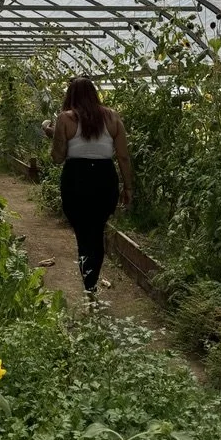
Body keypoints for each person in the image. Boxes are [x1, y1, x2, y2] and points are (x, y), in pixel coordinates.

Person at [42, 77, 133, 303]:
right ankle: (92, 284)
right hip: (105, 178)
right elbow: (122, 156)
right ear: (94, 93)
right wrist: (127, 186)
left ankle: (89, 285)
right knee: (98, 230)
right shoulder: (112, 117)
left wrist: (51, 134)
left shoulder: (65, 118)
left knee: (83, 233)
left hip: (77, 178)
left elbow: (57, 158)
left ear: (70, 96)